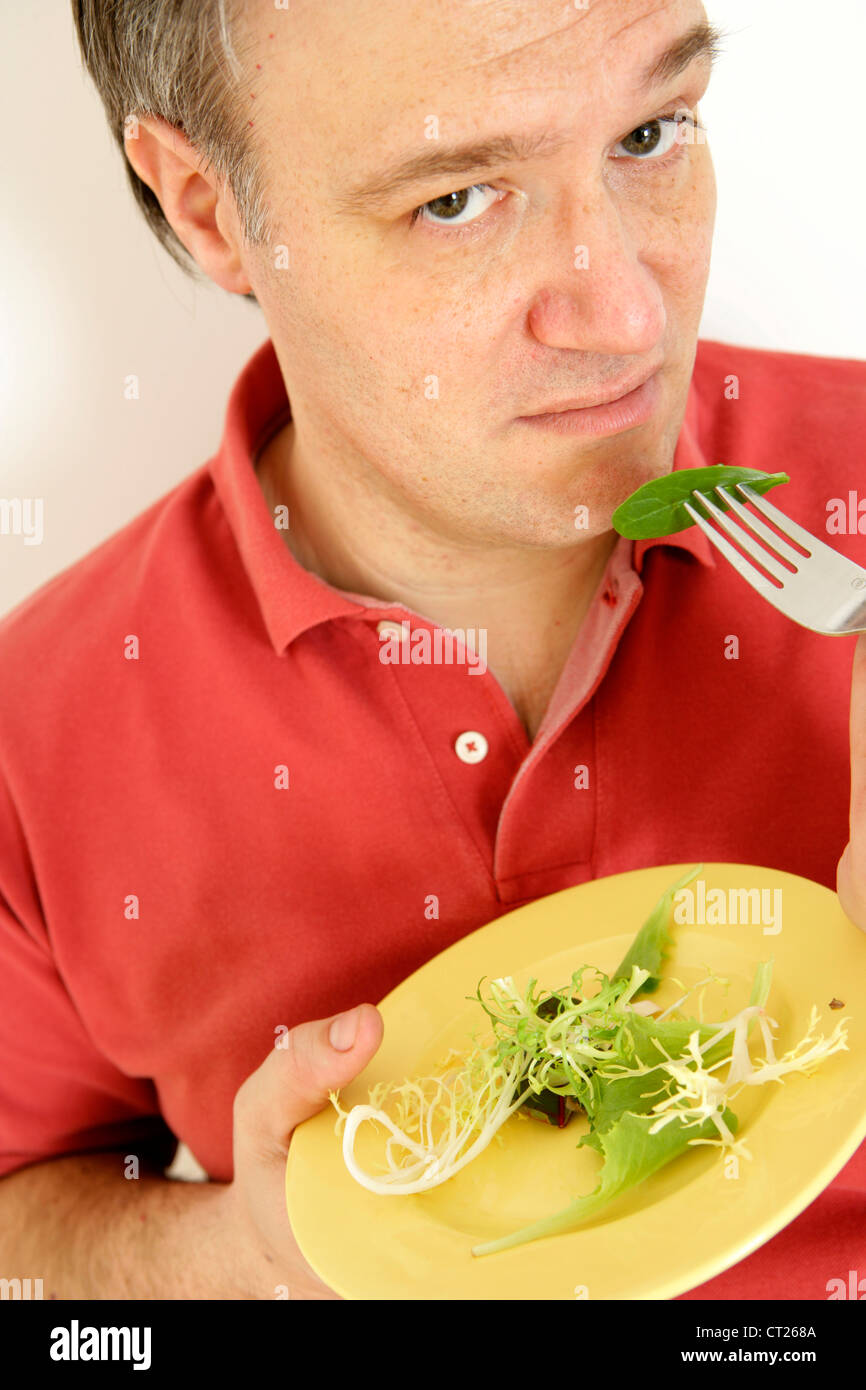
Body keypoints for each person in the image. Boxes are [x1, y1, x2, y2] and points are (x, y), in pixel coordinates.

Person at [0, 0, 864, 1301]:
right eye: (456, 199)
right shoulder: (39, 729)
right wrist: (235, 1254)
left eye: (650, 128)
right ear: (208, 207)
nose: (625, 312)